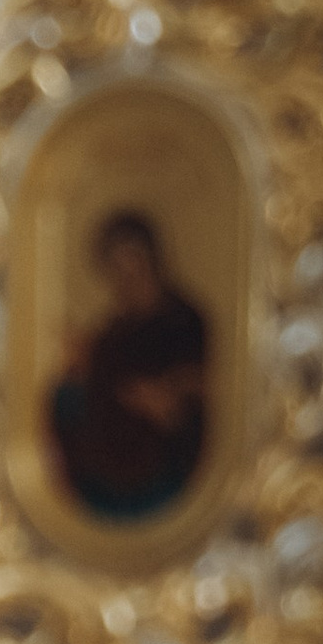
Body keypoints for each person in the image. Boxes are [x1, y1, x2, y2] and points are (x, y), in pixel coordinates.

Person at [43, 208, 210, 526]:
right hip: (105, 474)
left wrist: (168, 400)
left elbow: (197, 392)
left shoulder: (185, 322)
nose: (127, 277)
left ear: (153, 262)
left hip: (160, 477)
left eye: (134, 264)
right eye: (117, 268)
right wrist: (79, 370)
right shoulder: (111, 332)